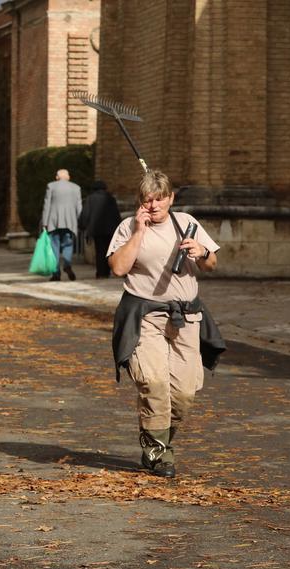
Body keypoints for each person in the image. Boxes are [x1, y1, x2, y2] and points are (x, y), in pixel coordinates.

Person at [108, 170, 225, 478]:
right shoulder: (127, 227)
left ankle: (155, 441)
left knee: (184, 392)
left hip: (186, 317)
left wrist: (202, 252)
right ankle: (160, 454)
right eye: (148, 199)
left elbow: (212, 264)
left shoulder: (187, 223)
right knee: (153, 381)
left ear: (171, 198)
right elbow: (119, 268)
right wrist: (139, 232)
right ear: (140, 202)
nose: (154, 205)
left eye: (160, 198)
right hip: (145, 315)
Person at [40, 168, 82, 281]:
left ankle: (56, 273)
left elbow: (46, 205)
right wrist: (80, 222)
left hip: (53, 222)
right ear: (68, 177)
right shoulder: (76, 187)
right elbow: (79, 207)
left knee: (54, 247)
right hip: (70, 222)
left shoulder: (51, 186)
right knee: (68, 245)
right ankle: (67, 264)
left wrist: (45, 222)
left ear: (57, 177)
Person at [79, 180, 122, 278]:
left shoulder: (90, 199)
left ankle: (101, 272)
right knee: (109, 250)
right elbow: (116, 215)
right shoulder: (111, 198)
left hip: (96, 230)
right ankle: (107, 271)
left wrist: (82, 225)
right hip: (110, 230)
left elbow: (85, 214)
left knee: (99, 251)